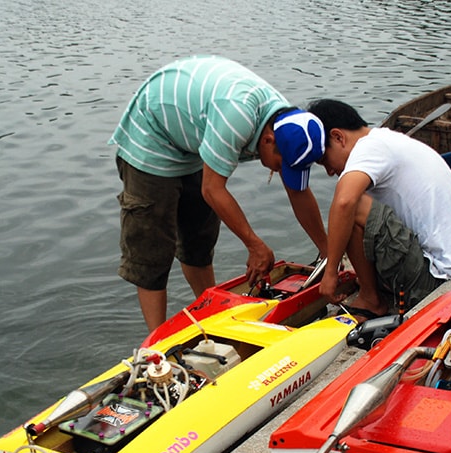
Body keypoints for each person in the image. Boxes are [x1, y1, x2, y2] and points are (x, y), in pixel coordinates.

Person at [109, 55, 328, 332]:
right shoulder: (236, 116)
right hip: (152, 135)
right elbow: (212, 189)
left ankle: (211, 318)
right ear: (268, 140)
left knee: (198, 238)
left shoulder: (287, 125)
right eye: (281, 165)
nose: (283, 172)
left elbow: (299, 193)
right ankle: (158, 345)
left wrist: (328, 251)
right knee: (153, 250)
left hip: (191, 138)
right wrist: (254, 245)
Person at [308, 99, 451, 322]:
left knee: (350, 205)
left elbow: (344, 203)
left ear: (338, 137)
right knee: (354, 200)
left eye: (325, 160)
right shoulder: (386, 139)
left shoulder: (369, 148)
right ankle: (373, 285)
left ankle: (371, 300)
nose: (328, 171)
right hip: (446, 264)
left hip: (435, 279)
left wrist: (331, 272)